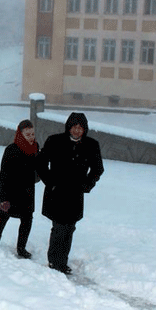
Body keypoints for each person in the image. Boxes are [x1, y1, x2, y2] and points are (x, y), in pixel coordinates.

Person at [36, 112, 104, 275]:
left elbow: (97, 168)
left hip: (75, 193)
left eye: (80, 128)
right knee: (59, 227)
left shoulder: (91, 145)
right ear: (68, 127)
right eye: (74, 127)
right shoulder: (55, 141)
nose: (77, 130)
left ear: (84, 129)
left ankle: (62, 262)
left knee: (69, 228)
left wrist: (87, 185)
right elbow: (40, 162)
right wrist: (50, 181)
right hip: (57, 192)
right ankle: (54, 262)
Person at [0, 120, 39, 259]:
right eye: (27, 134)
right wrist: (4, 197)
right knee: (4, 215)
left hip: (27, 192)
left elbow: (38, 170)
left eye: (33, 134)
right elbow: (4, 174)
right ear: (20, 134)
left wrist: (37, 176)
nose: (31, 137)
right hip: (10, 190)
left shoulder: (36, 148)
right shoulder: (11, 150)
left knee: (27, 219)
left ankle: (21, 248)